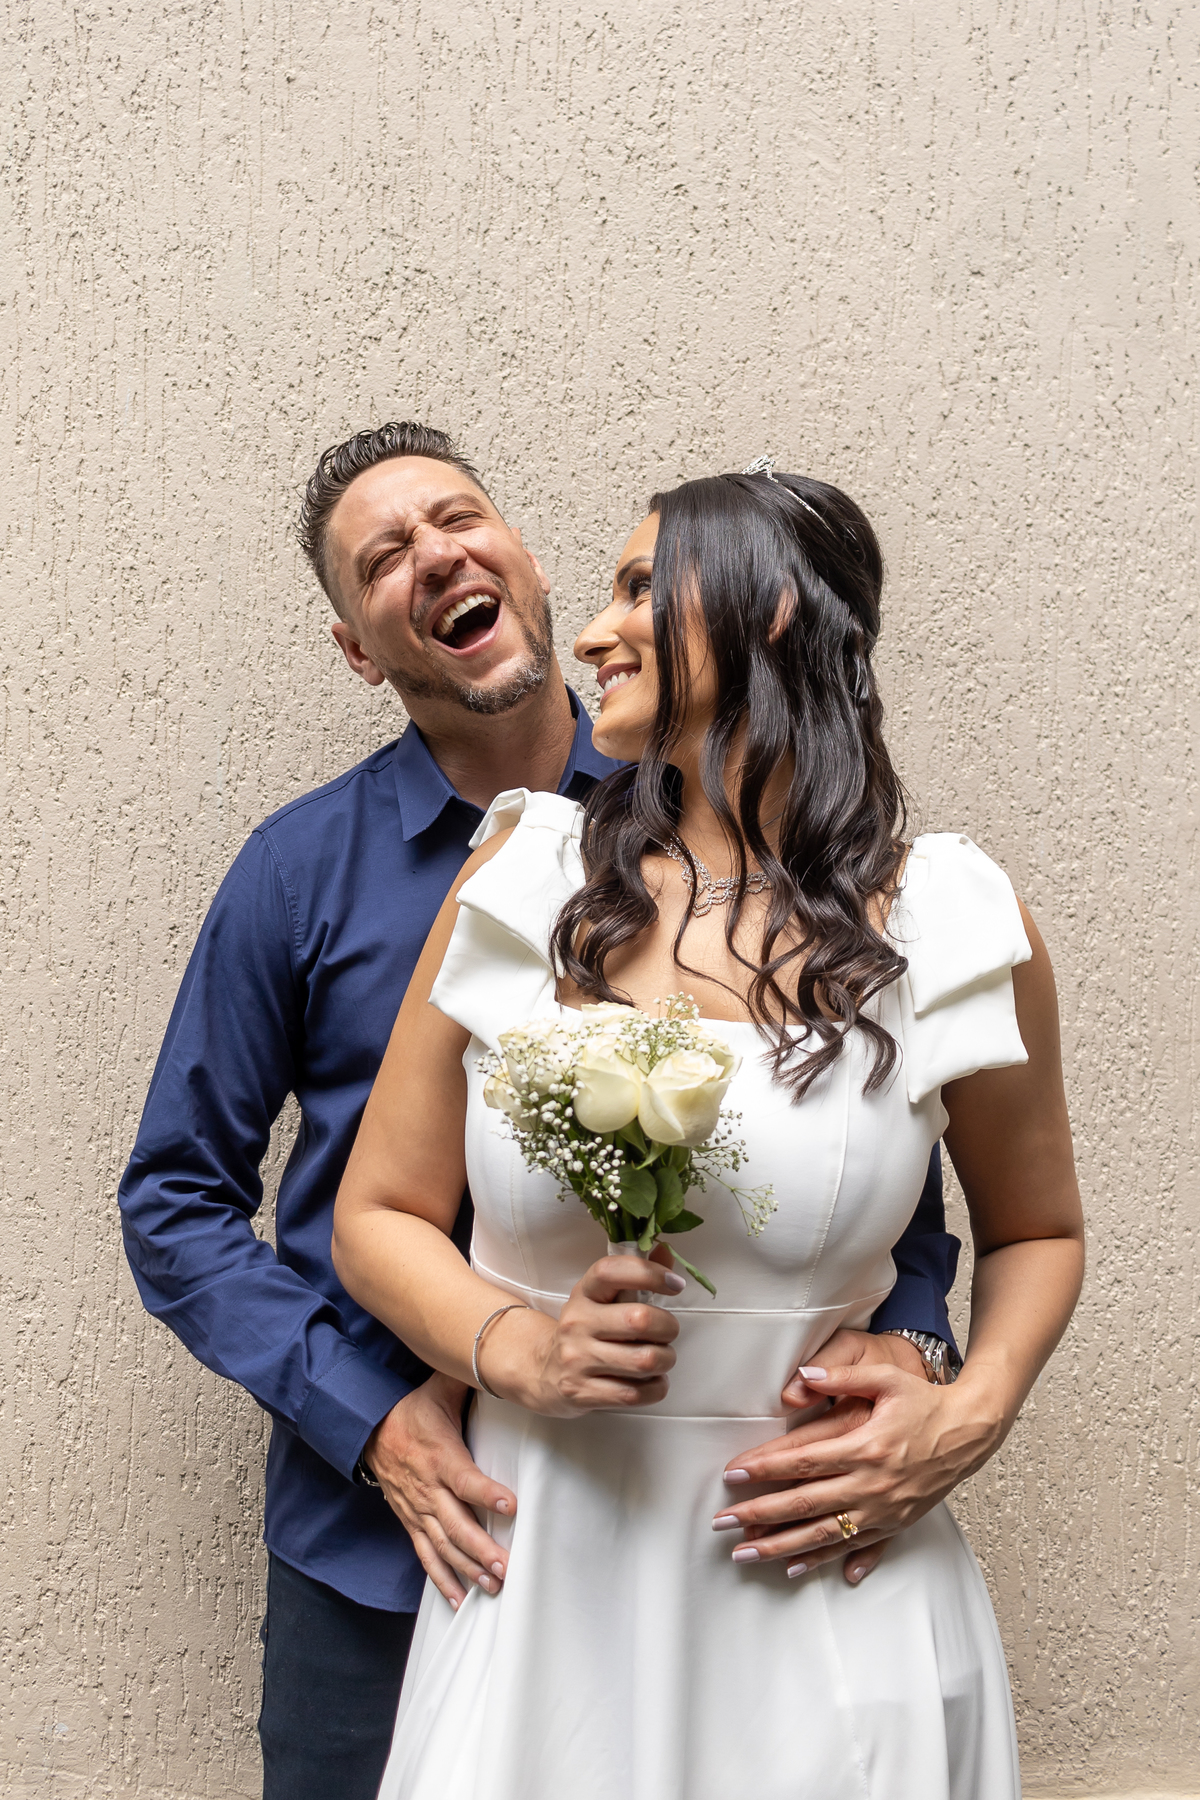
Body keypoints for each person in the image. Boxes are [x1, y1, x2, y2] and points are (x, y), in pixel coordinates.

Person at [118, 427, 967, 1800]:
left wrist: (917, 1355)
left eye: (458, 518)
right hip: (378, 1539)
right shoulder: (295, 873)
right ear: (358, 650)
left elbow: (868, 1150)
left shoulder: (729, 853)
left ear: (521, 556)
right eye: (382, 559)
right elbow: (174, 1203)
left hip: (684, 1536)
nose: (433, 557)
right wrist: (366, 1419)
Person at [333, 462, 1084, 1800]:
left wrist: (970, 1411)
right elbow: (378, 1214)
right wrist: (516, 1348)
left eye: (638, 588)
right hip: (546, 1590)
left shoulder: (955, 920)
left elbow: (1037, 1230)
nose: (592, 633)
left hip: (829, 1598)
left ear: (771, 609)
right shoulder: (525, 884)